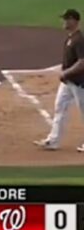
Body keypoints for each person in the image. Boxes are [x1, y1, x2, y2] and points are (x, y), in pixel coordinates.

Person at [34, 9, 84, 151]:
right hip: (68, 82)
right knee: (60, 108)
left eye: (66, 19)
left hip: (80, 83)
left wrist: (66, 72)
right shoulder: (70, 38)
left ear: (74, 20)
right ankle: (53, 141)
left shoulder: (79, 40)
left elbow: (82, 62)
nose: (63, 22)